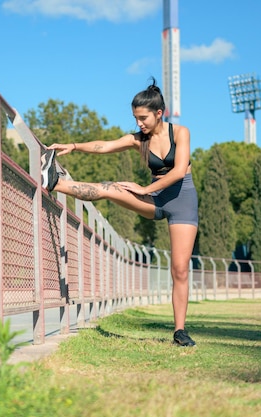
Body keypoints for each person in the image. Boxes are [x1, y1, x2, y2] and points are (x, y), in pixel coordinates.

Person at [40, 78, 198, 347]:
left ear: (159, 113)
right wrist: (74, 146)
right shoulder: (138, 140)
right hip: (153, 198)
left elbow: (179, 170)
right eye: (136, 118)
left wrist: (144, 186)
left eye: (143, 118)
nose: (139, 124)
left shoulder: (180, 133)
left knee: (180, 270)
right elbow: (105, 146)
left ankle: (179, 331)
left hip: (182, 200)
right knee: (109, 189)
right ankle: (54, 181)